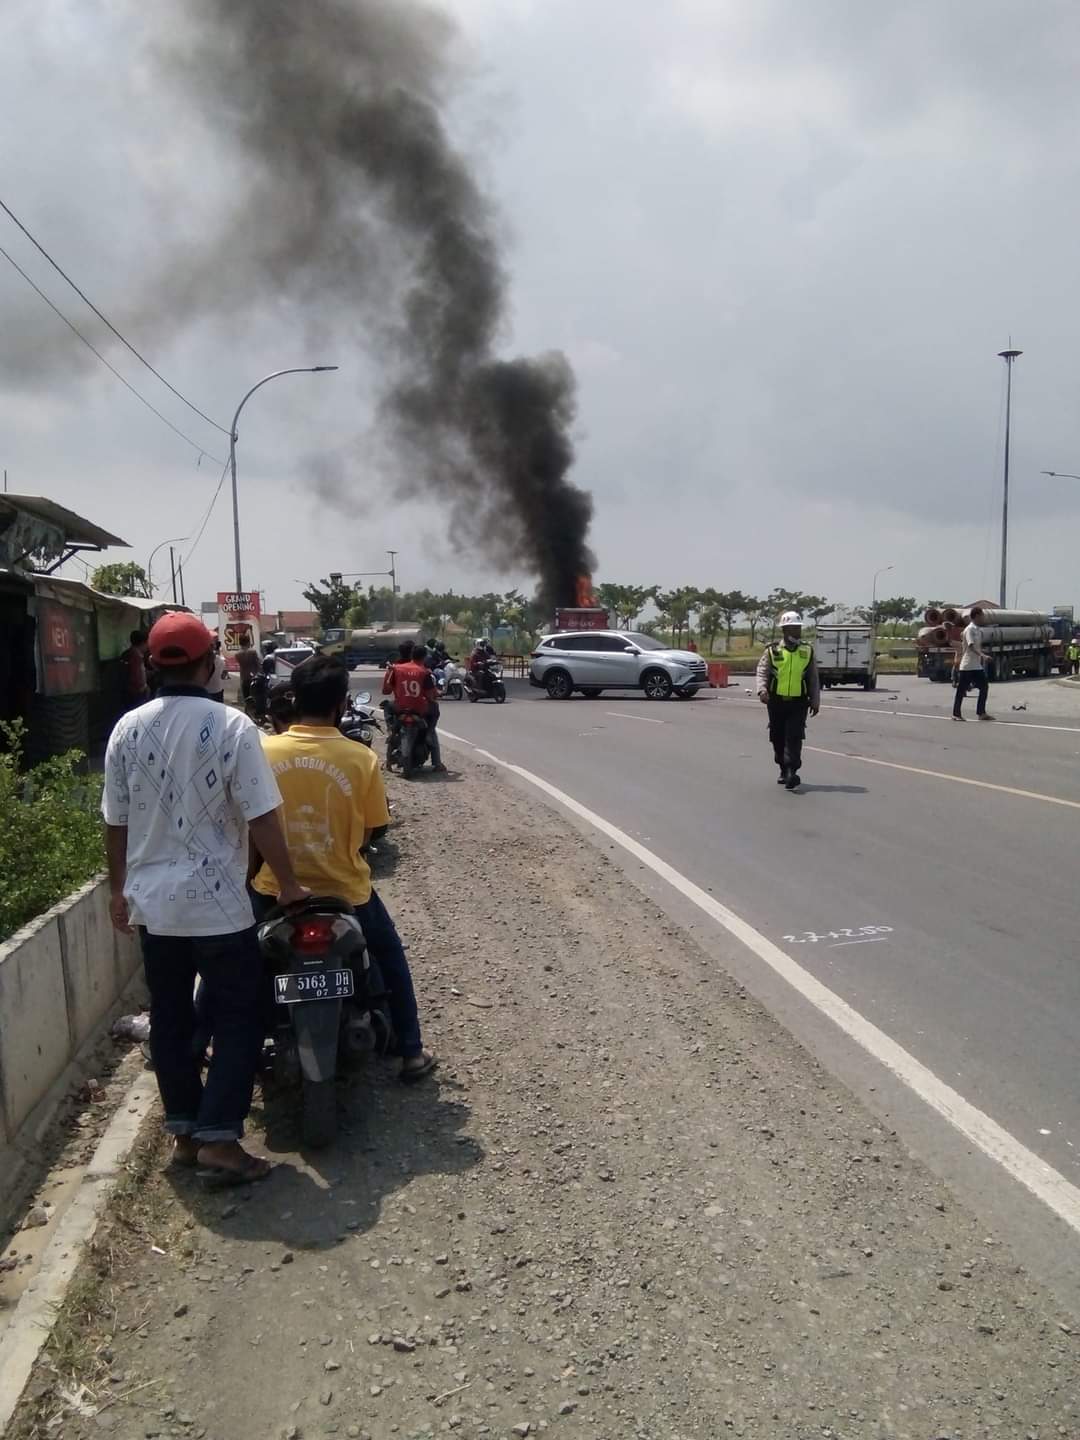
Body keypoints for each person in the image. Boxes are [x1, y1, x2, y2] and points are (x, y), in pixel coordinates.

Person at [103, 611, 309, 1183]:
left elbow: (115, 821)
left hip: (155, 909)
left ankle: (185, 1133)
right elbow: (262, 816)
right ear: (210, 662)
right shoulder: (233, 727)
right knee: (238, 1016)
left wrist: (117, 889)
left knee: (170, 1019)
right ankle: (220, 1138)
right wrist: (289, 885)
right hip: (218, 908)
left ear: (152, 664)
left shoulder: (126, 729)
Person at [253, 654, 436, 1082]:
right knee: (390, 958)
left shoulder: (262, 751)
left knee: (236, 967)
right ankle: (410, 1051)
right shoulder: (360, 758)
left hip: (274, 891)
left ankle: (218, 1046)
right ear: (341, 703)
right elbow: (374, 829)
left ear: (295, 699)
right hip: (347, 894)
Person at [755, 611, 820, 789]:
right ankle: (783, 768)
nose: (796, 632)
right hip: (776, 701)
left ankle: (792, 771)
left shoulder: (807, 651)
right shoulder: (773, 650)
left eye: (798, 628)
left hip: (798, 702)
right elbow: (762, 671)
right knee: (777, 737)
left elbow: (813, 678)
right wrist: (762, 690)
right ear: (784, 630)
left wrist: (815, 700)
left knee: (794, 736)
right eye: (792, 628)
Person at [382, 639, 444, 771]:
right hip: (419, 708)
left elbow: (385, 690)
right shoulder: (423, 670)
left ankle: (388, 755)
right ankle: (437, 761)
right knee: (433, 718)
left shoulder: (395, 668)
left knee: (388, 712)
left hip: (399, 707)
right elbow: (429, 695)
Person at [953, 616, 994, 721]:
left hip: (976, 666)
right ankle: (956, 714)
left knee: (984, 687)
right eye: (981, 616)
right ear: (976, 617)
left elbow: (976, 646)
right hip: (967, 666)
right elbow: (971, 647)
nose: (983, 619)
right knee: (961, 690)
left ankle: (981, 713)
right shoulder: (969, 629)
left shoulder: (978, 630)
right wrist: (983, 656)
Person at [121, 629, 150, 709]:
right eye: (147, 643)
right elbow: (137, 677)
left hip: (128, 692)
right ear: (143, 643)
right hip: (136, 694)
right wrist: (144, 687)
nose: (148, 646)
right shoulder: (136, 657)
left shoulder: (128, 653)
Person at [236, 632, 260, 702]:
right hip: (254, 677)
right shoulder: (253, 652)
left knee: (246, 698)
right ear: (248, 642)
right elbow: (258, 664)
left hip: (244, 677)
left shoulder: (238, 654)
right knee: (255, 698)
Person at [208, 638, 229, 704]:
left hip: (206, 690)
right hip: (218, 689)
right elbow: (223, 676)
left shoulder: (204, 661)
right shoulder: (222, 661)